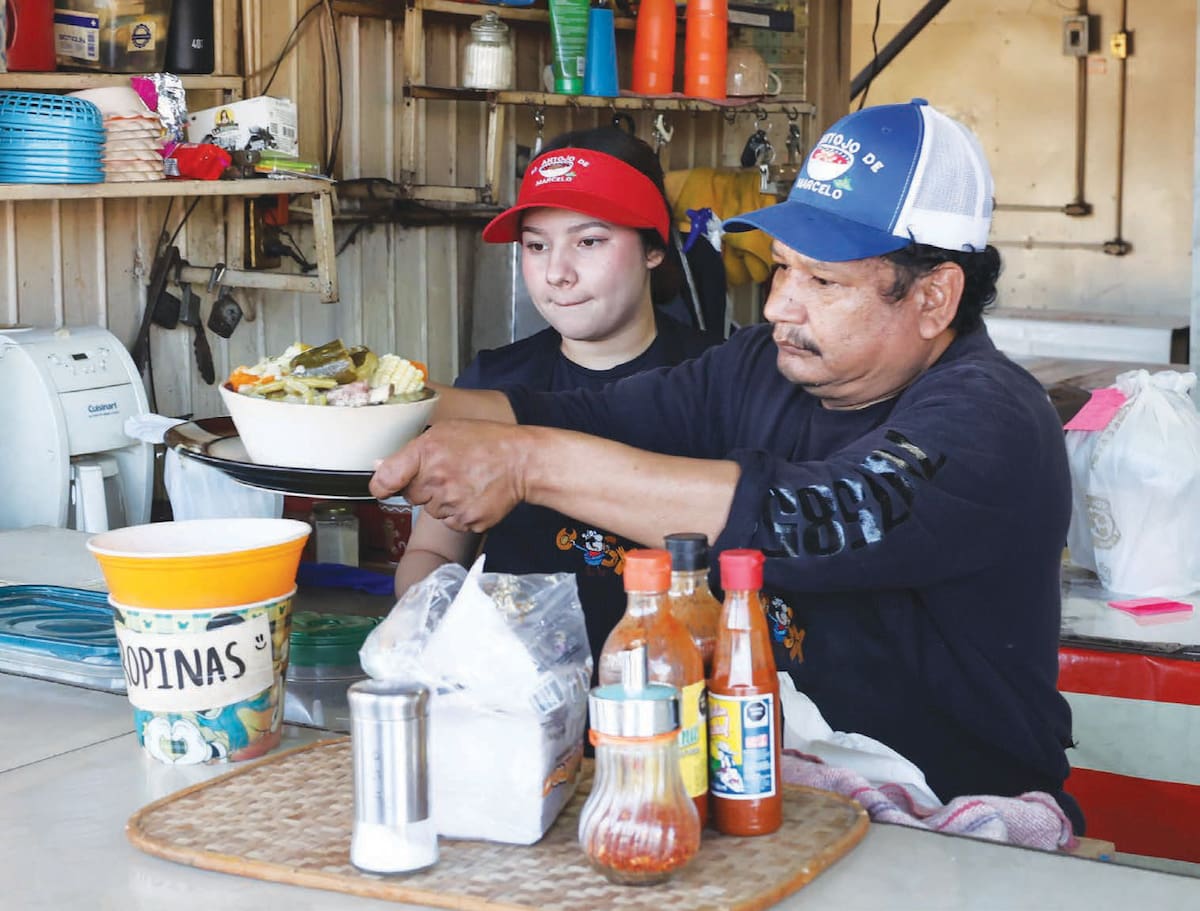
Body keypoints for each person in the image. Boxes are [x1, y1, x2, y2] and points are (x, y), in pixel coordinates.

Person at [372, 99, 1083, 832]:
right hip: (777, 799)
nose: (779, 306)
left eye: (822, 282)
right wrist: (365, 404)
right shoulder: (763, 367)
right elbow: (587, 414)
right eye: (781, 270)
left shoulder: (990, 420)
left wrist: (524, 467)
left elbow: (797, 514)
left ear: (934, 297)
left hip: (949, 826)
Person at [393, 127, 718, 676]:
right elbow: (433, 553)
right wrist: (438, 632)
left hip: (678, 704)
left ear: (654, 247)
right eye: (537, 245)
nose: (556, 273)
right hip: (518, 705)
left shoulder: (720, 381)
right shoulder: (491, 385)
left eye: (589, 241)